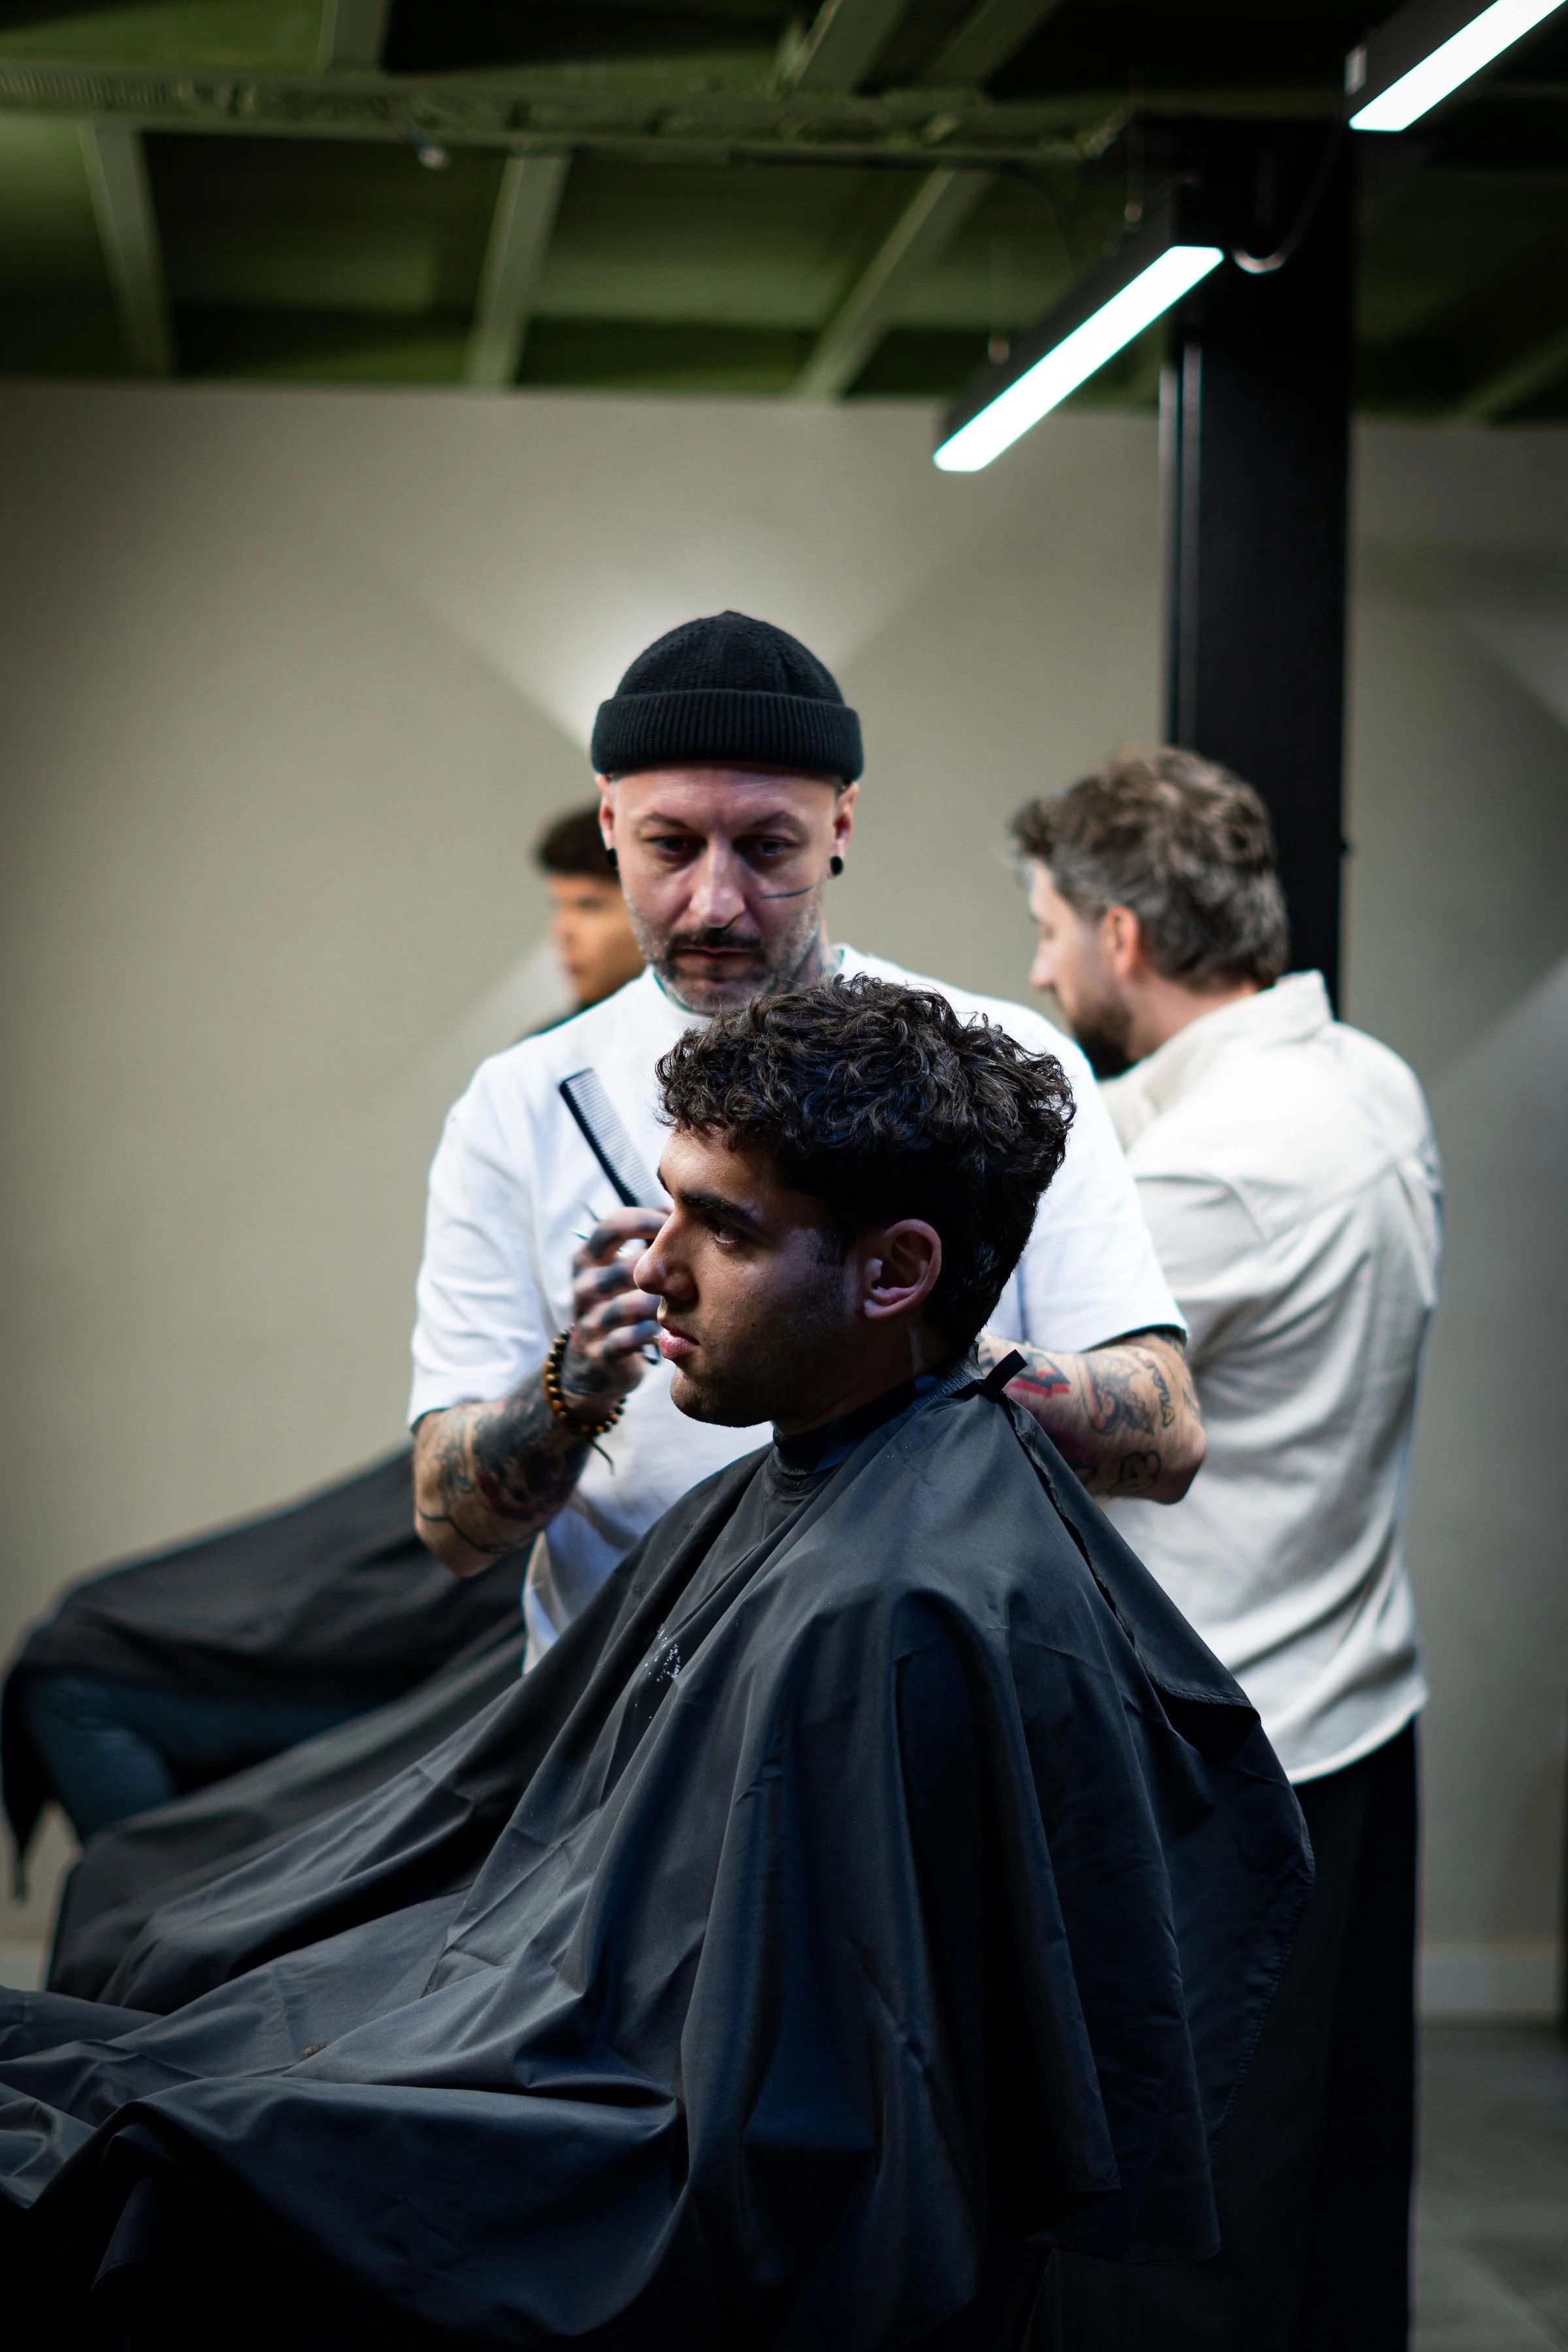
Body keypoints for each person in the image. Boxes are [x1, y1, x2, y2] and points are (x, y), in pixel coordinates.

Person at [0, 978, 1309, 2352]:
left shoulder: (891, 1606)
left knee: (146, 2152)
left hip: (645, 2174)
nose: (656, 1265)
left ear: (896, 1271)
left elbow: (792, 2143)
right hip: (571, 2011)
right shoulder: (836, 1480)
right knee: (138, 1989)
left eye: (722, 1227)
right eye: (665, 1206)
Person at [411, 610, 1204, 1665]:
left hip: (918, 1693)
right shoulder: (519, 1106)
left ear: (842, 825)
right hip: (620, 1745)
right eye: (670, 846)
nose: (716, 903)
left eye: (769, 847)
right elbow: (451, 1530)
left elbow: (1167, 1439)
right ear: (608, 821)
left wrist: (899, 1349)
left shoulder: (995, 1062)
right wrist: (577, 1384)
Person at [1011, 750, 1441, 2352]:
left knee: (1162, 2240)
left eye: (1047, 930)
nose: (1035, 967)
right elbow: (1099, 1127)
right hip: (1345, 1706)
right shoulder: (1358, 1082)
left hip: (1219, 1757)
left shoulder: (1218, 1164)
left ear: (1119, 936)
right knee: (1314, 2193)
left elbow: (996, 1357)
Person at [535, 801, 644, 1012]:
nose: (561, 933)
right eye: (558, 906)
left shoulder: (721, 1032)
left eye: (589, 906)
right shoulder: (554, 1043)